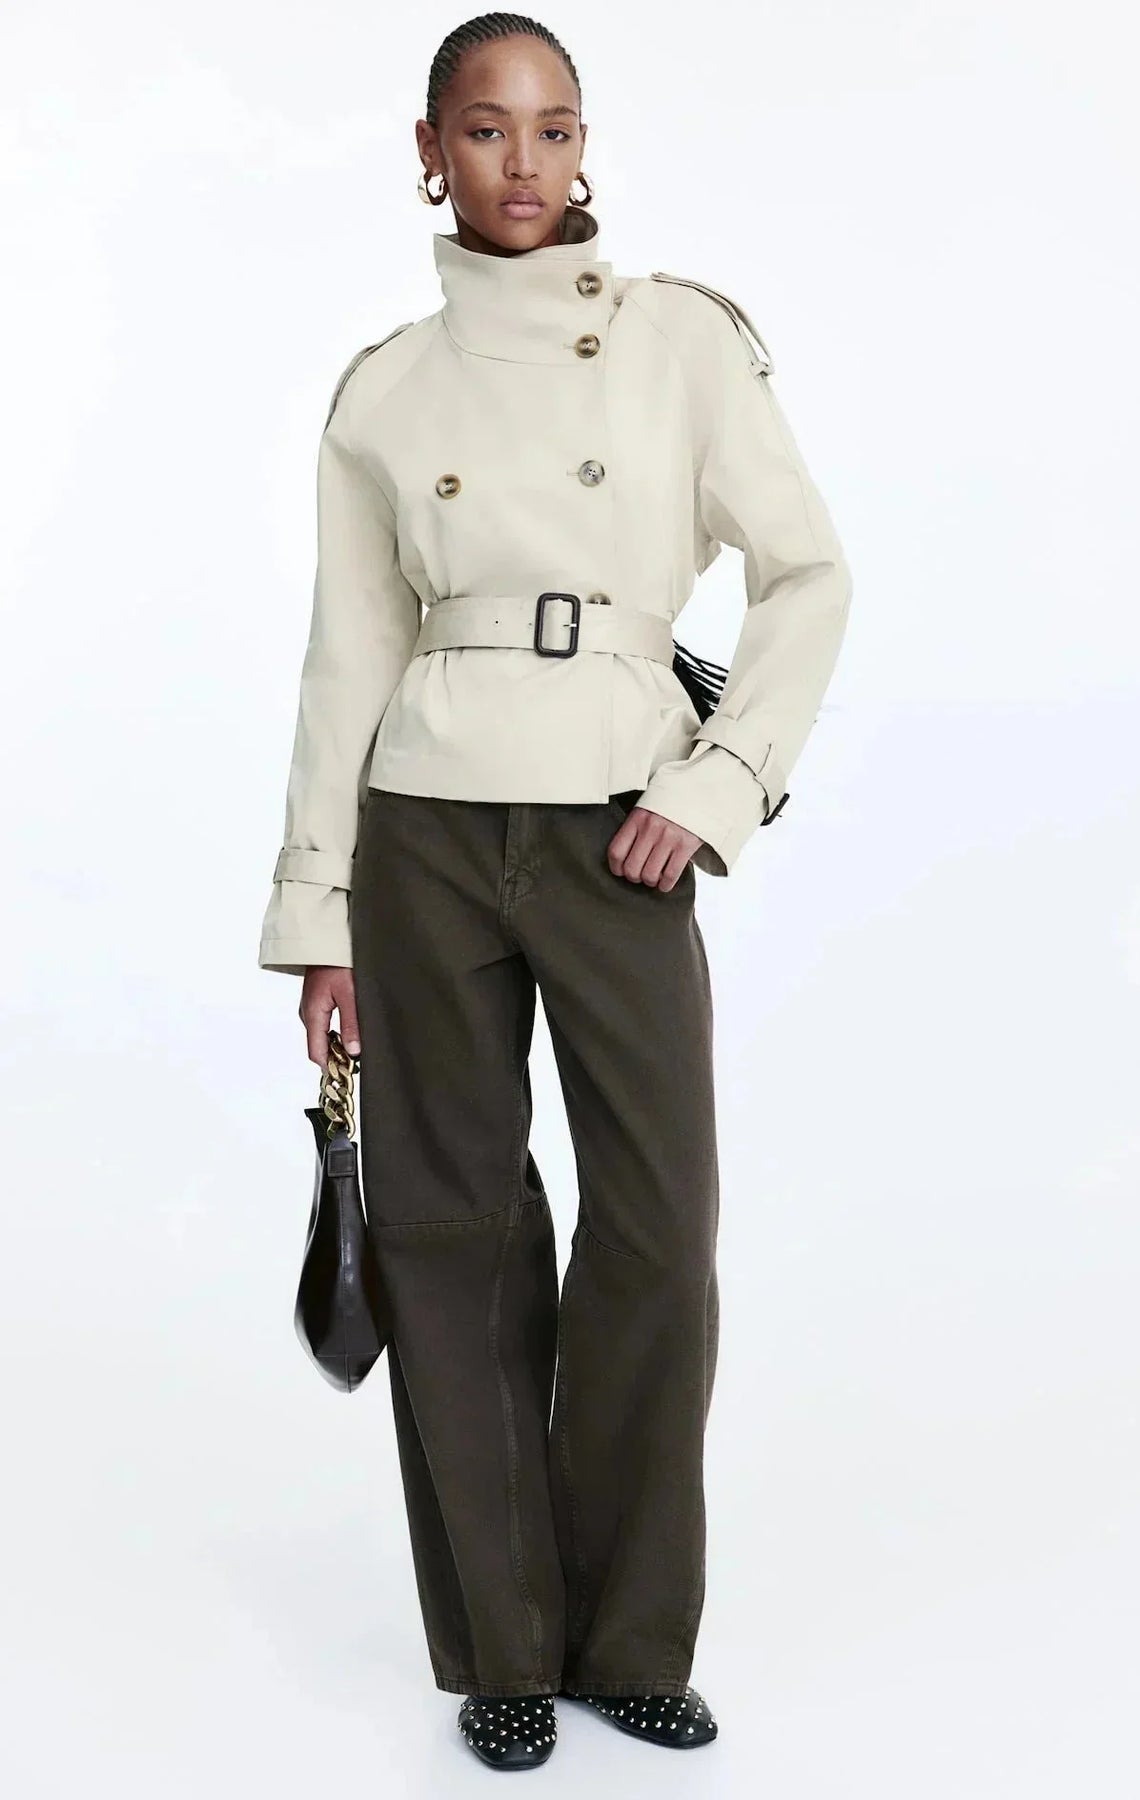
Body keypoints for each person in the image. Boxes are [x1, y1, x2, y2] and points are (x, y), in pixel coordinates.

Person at [258, 11, 853, 1772]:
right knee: (453, 1236)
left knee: (657, 1233)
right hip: (425, 828)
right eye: (486, 128)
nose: (523, 162)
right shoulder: (385, 389)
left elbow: (808, 575)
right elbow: (345, 658)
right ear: (427, 150)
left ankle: (629, 1637)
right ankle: (503, 1650)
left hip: (616, 821)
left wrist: (714, 783)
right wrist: (319, 917)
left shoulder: (682, 343)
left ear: (585, 145)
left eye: (554, 127)